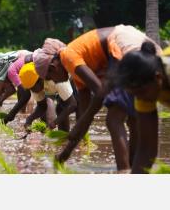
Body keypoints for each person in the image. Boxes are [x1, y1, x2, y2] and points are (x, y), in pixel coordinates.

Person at [34, 27, 161, 171]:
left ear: (53, 66)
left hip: (123, 45)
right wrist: (66, 153)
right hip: (134, 44)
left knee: (114, 118)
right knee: (131, 118)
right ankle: (133, 167)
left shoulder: (67, 56)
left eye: (50, 78)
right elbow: (84, 112)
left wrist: (81, 124)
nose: (55, 82)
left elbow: (100, 91)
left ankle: (123, 170)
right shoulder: (77, 73)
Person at [114, 42, 170, 173]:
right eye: (135, 95)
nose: (140, 99)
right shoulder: (143, 93)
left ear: (158, 78)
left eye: (141, 93)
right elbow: (146, 149)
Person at [18, 60, 77, 132]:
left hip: (74, 76)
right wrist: (30, 119)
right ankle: (63, 138)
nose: (32, 91)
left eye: (33, 88)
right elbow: (42, 106)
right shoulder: (35, 83)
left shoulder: (56, 78)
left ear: (40, 80)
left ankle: (72, 137)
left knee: (62, 108)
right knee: (60, 109)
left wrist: (55, 122)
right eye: (30, 89)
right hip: (56, 84)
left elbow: (72, 104)